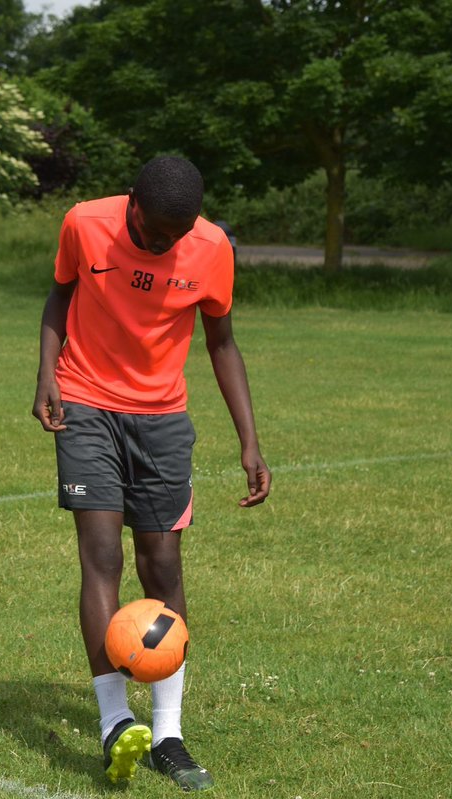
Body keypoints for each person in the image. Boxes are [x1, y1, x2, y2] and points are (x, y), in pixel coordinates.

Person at [32, 155, 271, 791]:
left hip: (162, 419)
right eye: (156, 233)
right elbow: (60, 295)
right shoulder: (86, 224)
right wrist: (46, 376)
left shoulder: (210, 247)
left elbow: (222, 342)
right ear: (132, 202)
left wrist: (250, 441)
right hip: (86, 404)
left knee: (162, 566)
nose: (166, 245)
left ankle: (168, 735)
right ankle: (115, 721)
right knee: (102, 554)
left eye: (176, 236)